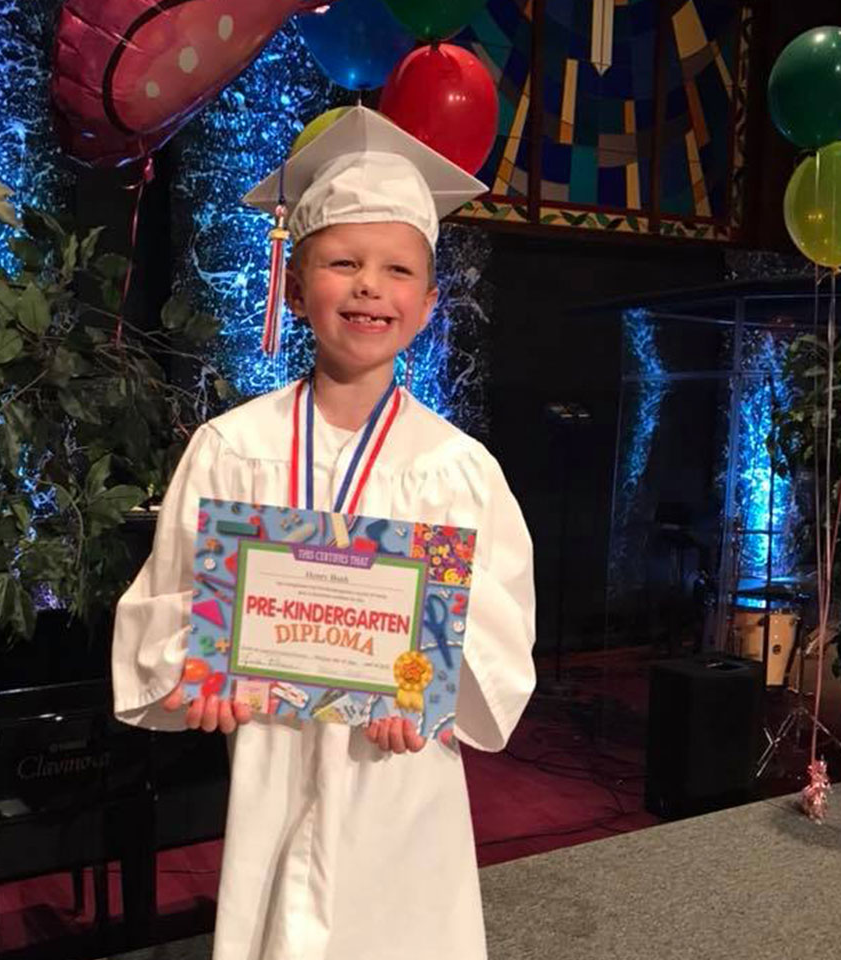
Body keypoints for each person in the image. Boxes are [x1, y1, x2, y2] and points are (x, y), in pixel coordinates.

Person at [111, 106, 536, 960]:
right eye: (342, 263)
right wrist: (207, 666)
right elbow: (169, 605)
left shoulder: (457, 470)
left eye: (397, 269)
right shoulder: (233, 449)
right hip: (271, 763)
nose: (369, 286)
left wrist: (427, 692)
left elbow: (499, 646)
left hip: (400, 783)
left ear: (427, 302)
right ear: (297, 288)